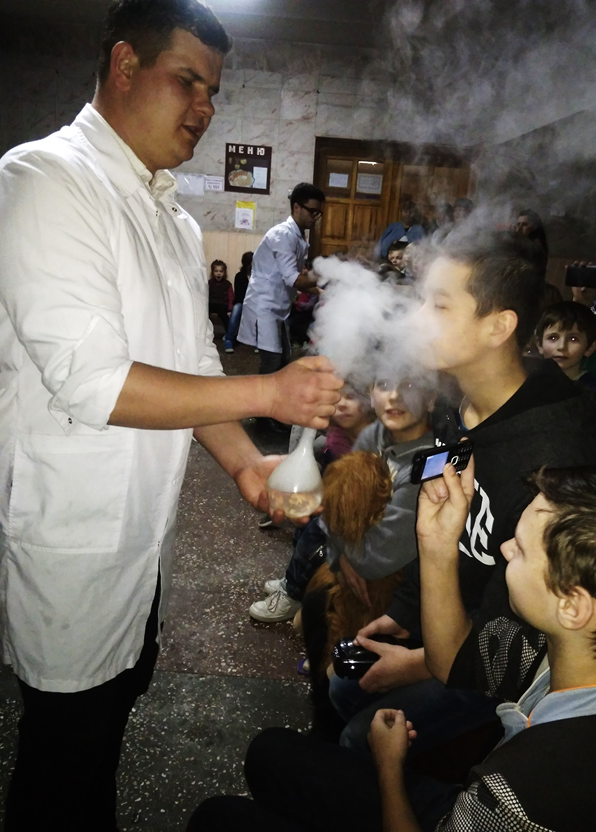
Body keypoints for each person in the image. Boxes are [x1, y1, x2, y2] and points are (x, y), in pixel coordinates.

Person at [0, 2, 343, 830]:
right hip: (73, 539)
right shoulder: (45, 180)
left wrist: (246, 465)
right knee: (60, 756)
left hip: (143, 541)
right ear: (125, 65)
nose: (205, 106)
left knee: (107, 728)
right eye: (188, 80)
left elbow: (192, 371)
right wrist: (267, 395)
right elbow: (95, 383)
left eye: (213, 90)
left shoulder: (174, 219)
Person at [188, 465, 596, 831]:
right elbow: (454, 662)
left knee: (218, 818)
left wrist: (389, 764)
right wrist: (436, 544)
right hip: (464, 807)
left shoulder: (522, 790)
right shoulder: (553, 646)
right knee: (269, 752)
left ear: (573, 606)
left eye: (523, 550)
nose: (506, 548)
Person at [327, 229, 596, 755]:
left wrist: (417, 662)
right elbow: (439, 517)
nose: (414, 320)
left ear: (498, 327)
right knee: (343, 681)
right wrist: (405, 612)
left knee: (358, 736)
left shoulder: (553, 462)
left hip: (509, 661)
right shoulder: (457, 406)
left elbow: (521, 644)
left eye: (438, 306)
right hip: (448, 614)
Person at [250, 385, 374, 624]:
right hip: (327, 480)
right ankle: (292, 578)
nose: (342, 403)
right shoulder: (338, 425)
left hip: (345, 494)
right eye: (339, 397)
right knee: (302, 532)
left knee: (312, 543)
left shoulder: (369, 438)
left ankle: (293, 594)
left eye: (352, 397)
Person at [238, 183, 326, 385]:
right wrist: (329, 273)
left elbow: (297, 280)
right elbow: (294, 279)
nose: (315, 217)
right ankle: (260, 402)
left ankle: (272, 400)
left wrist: (321, 292)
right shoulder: (283, 235)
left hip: (279, 306)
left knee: (284, 356)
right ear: (297, 207)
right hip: (264, 305)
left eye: (318, 213)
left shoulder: (298, 237)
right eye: (312, 211)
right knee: (272, 360)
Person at [535, 300, 596, 389]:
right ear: (539, 344)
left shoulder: (591, 389)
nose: (561, 346)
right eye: (553, 338)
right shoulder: (529, 382)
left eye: (573, 339)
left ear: (590, 347)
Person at [224, 250, 253, 353]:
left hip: (254, 303)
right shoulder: (239, 276)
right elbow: (239, 295)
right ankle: (228, 340)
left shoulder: (258, 276)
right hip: (242, 302)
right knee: (237, 308)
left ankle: (259, 342)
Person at [208, 258, 233, 335]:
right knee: (204, 315)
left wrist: (230, 310)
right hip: (211, 303)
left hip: (222, 305)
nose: (218, 273)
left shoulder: (227, 284)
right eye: (216, 271)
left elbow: (231, 298)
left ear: (224, 272)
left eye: (221, 271)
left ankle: (229, 334)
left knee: (224, 317)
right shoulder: (210, 283)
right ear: (213, 272)